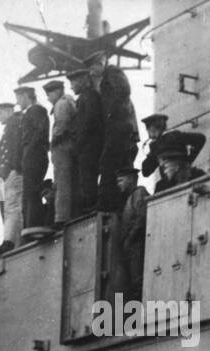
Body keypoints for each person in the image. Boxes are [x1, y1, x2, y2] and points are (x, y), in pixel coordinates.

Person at [87, 50, 139, 211]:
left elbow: (124, 90)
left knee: (108, 164)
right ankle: (115, 203)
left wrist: (110, 114)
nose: (91, 72)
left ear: (101, 63)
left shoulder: (113, 72)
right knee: (118, 166)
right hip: (118, 127)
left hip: (119, 127)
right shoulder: (107, 76)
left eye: (92, 68)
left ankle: (106, 204)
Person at [68, 67, 104, 215]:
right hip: (88, 145)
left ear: (82, 81)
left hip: (89, 146)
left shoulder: (89, 96)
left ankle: (91, 207)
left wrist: (79, 144)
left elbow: (88, 122)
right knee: (86, 179)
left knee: (88, 178)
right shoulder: (87, 96)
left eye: (73, 83)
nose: (71, 86)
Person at [0, 101, 23, 253]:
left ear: (9, 112)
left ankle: (13, 242)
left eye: (0, 113)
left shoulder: (14, 126)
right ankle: (11, 242)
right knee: (8, 213)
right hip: (4, 185)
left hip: (13, 177)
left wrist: (14, 170)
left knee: (15, 210)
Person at [140, 114, 206, 189]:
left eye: (148, 127)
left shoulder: (158, 145)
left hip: (170, 182)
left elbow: (145, 171)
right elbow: (201, 139)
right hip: (186, 175)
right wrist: (190, 159)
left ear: (154, 128)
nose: (147, 131)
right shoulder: (176, 135)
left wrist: (151, 153)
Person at [16, 85, 51, 231]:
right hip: (32, 155)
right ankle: (30, 224)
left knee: (32, 192)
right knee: (30, 192)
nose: (18, 103)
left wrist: (29, 152)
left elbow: (39, 133)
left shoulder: (37, 110)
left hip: (34, 156)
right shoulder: (33, 111)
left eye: (19, 99)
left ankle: (33, 224)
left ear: (25, 96)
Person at [42, 80, 76, 225]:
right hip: (70, 147)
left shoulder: (61, 104)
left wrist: (52, 142)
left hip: (62, 148)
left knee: (62, 183)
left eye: (49, 94)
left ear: (56, 92)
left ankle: (61, 217)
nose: (48, 98)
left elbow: (61, 126)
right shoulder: (70, 102)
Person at [116, 167, 149, 298]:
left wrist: (130, 238)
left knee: (138, 282)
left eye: (121, 180)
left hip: (137, 245)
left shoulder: (139, 193)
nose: (119, 184)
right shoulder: (130, 197)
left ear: (130, 179)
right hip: (132, 247)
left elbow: (142, 217)